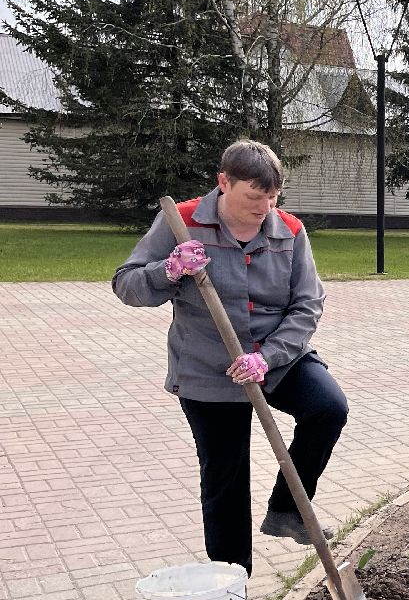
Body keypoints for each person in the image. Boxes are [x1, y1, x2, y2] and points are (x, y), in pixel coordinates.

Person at [113, 140, 347, 574]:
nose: (264, 208)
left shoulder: (289, 231)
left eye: (272, 197)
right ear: (224, 183)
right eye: (254, 198)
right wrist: (168, 270)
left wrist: (269, 356)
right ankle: (232, 581)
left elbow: (307, 304)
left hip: (277, 358)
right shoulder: (180, 222)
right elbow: (126, 285)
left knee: (328, 409)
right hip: (208, 367)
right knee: (226, 475)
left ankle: (287, 510)